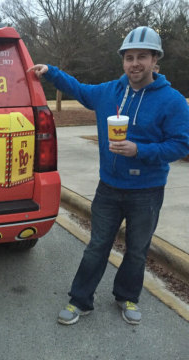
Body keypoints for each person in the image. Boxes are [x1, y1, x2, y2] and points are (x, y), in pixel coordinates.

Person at [30, 26, 189, 325]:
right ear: (123, 61)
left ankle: (127, 297)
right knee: (97, 246)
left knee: (137, 250)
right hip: (109, 188)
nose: (135, 63)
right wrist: (50, 71)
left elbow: (181, 144)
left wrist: (138, 150)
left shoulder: (173, 101)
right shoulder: (110, 92)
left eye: (143, 56)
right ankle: (80, 300)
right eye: (129, 57)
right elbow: (79, 89)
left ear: (156, 60)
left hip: (147, 191)